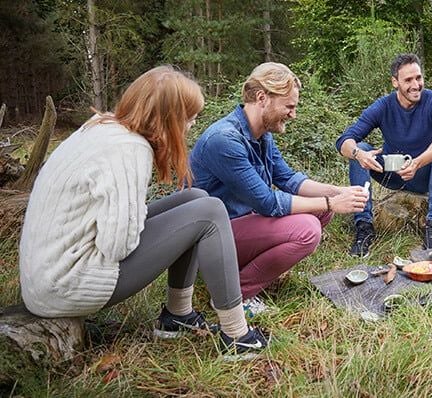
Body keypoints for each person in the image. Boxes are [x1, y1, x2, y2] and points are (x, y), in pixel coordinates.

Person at [19, 66, 268, 361]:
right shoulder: (130, 149)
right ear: (168, 119)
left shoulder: (103, 127)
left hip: (46, 276)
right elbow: (117, 245)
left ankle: (178, 315)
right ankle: (238, 337)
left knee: (196, 198)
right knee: (210, 211)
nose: (190, 127)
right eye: (188, 119)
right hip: (65, 284)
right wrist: (143, 222)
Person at [190, 62, 368, 314]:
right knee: (307, 230)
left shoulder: (262, 134)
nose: (293, 114)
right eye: (289, 106)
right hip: (209, 240)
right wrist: (330, 202)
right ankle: (233, 295)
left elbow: (288, 179)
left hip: (239, 226)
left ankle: (255, 271)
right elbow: (267, 203)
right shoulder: (224, 140)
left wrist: (336, 192)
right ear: (262, 98)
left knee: (321, 210)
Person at [336, 53, 432, 257]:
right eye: (408, 80)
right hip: (392, 173)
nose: (416, 85)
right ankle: (364, 227)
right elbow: (344, 140)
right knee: (361, 147)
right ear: (395, 82)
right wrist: (359, 154)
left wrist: (418, 163)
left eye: (418, 78)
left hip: (423, 175)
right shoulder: (383, 106)